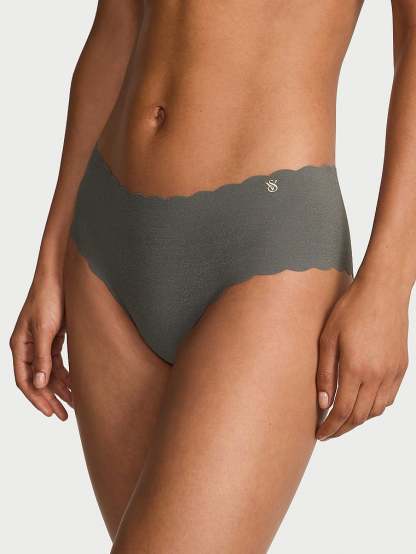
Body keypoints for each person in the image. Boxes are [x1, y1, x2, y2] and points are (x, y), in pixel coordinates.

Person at [9, 1, 415, 552]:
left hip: (266, 249)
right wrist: (52, 253)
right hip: (104, 241)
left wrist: (390, 283)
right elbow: (118, 23)